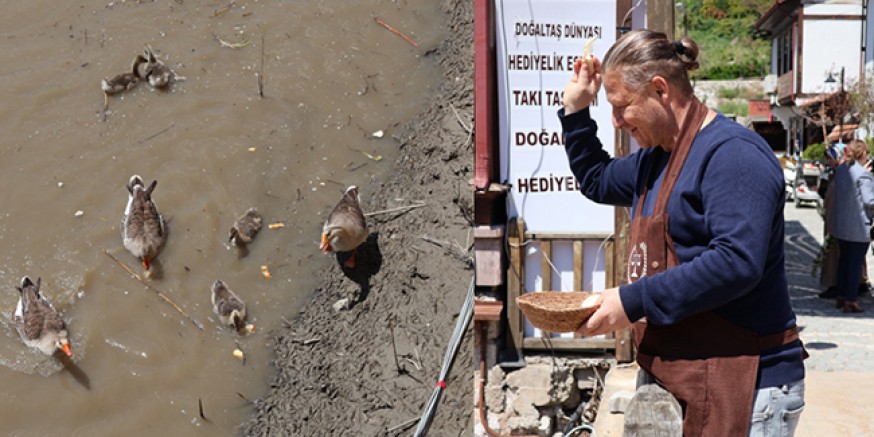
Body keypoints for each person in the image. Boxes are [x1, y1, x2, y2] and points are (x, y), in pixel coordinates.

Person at [558, 30, 805, 436]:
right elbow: (597, 179)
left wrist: (631, 301)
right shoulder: (653, 159)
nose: (616, 122)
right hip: (686, 373)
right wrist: (576, 110)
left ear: (660, 89)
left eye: (621, 107)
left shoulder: (733, 155)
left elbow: (737, 262)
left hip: (748, 381)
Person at [829, 139, 874, 312]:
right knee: (855, 264)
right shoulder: (864, 174)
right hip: (858, 227)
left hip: (842, 225)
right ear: (863, 154)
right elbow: (869, 200)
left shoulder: (841, 170)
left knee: (844, 262)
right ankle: (851, 299)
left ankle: (841, 295)